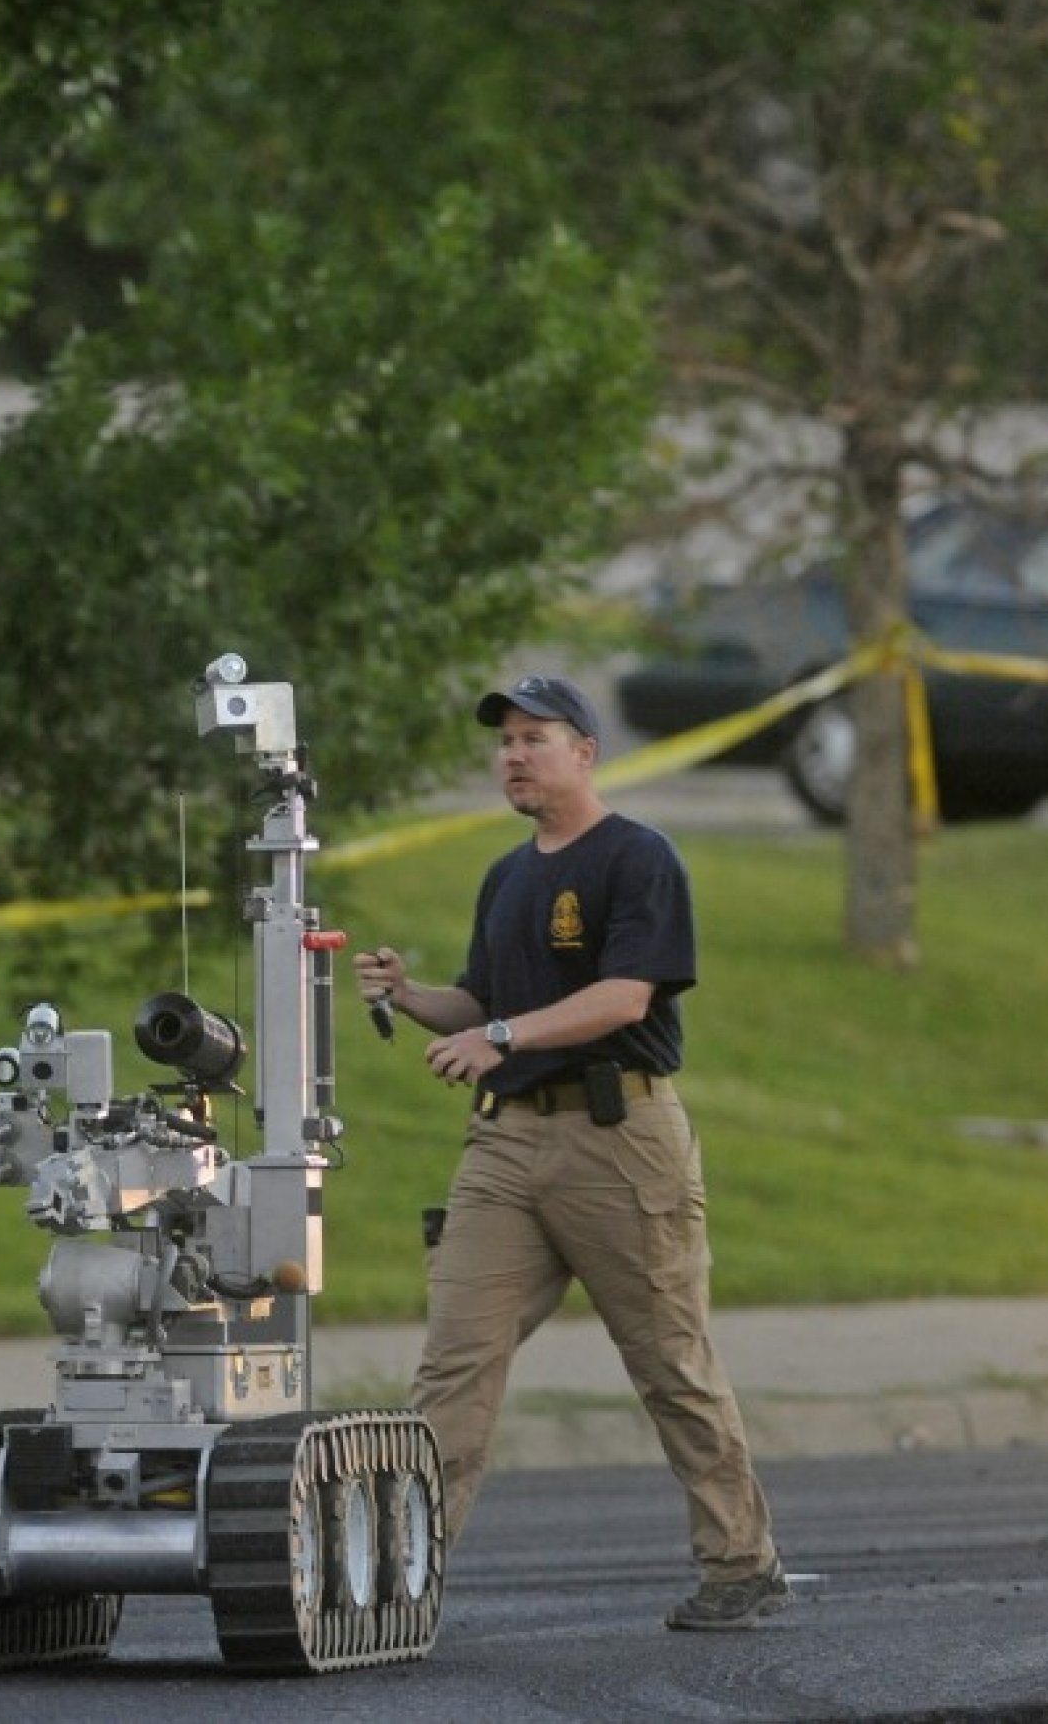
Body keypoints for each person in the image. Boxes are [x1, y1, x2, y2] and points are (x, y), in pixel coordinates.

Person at [354, 674, 790, 1632]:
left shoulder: (638, 858)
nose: (514, 755)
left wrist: (502, 1038)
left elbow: (624, 997)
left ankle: (740, 1563)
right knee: (452, 1370)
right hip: (506, 1145)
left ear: (585, 752)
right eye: (505, 741)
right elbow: (482, 1001)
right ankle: (397, 1588)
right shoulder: (507, 877)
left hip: (618, 1140)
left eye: (535, 738)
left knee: (669, 1362)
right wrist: (410, 991)